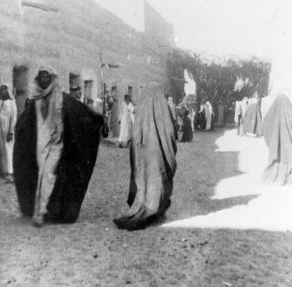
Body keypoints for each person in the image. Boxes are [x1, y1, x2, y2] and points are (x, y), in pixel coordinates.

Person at [13, 66, 103, 227]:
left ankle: (41, 213)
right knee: (41, 174)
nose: (44, 80)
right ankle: (44, 210)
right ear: (38, 79)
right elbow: (27, 121)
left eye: (47, 77)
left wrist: (95, 119)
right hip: (41, 143)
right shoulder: (36, 99)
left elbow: (77, 112)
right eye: (41, 77)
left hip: (56, 144)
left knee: (47, 174)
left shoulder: (60, 97)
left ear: (52, 78)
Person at [113, 83, 177, 230]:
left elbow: (135, 137)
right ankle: (158, 213)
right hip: (159, 156)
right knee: (160, 183)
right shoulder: (163, 108)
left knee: (147, 183)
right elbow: (170, 135)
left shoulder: (141, 109)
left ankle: (147, 208)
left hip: (145, 155)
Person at [262, 94, 292, 185]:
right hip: (289, 151)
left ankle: (279, 176)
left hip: (276, 148)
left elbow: (265, 123)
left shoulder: (274, 113)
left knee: (278, 158)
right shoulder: (290, 113)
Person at [0, 84, 17, 183]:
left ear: (8, 91)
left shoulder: (12, 103)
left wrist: (11, 131)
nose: (3, 92)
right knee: (2, 150)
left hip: (7, 130)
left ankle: (10, 173)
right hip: (0, 129)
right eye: (1, 90)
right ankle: (4, 172)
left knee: (8, 150)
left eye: (5, 90)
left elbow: (13, 118)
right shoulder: (0, 102)